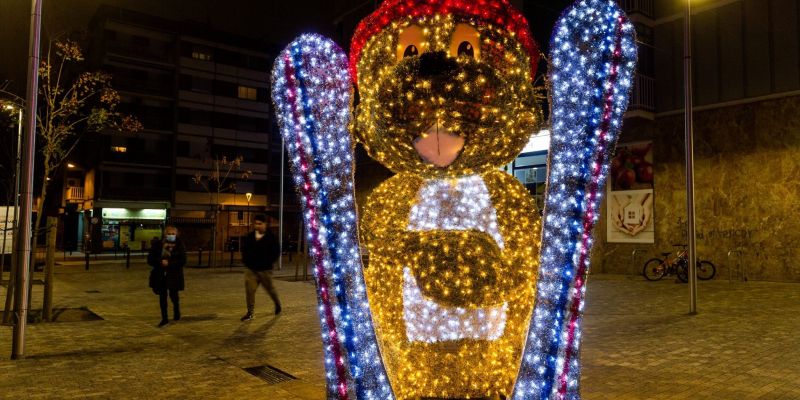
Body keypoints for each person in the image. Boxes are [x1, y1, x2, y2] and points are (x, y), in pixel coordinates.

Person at [240, 214, 281, 321]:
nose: (257, 226)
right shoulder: (250, 237)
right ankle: (250, 312)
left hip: (265, 270)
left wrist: (268, 262)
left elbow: (276, 252)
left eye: (260, 224)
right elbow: (244, 250)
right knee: (249, 291)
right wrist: (247, 262)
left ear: (265, 224)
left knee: (270, 289)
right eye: (256, 223)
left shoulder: (271, 237)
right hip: (251, 270)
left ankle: (277, 303)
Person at [148, 225, 187, 327]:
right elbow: (150, 259)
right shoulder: (158, 244)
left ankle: (176, 308)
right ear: (165, 234)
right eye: (169, 233)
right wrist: (160, 262)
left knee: (173, 294)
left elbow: (183, 261)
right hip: (161, 275)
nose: (171, 235)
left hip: (174, 274)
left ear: (176, 234)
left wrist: (170, 263)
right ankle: (164, 318)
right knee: (162, 297)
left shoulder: (179, 245)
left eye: (173, 234)